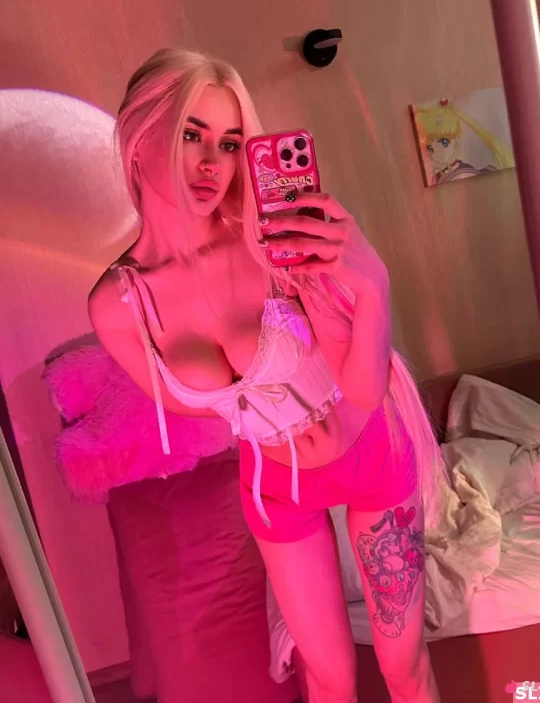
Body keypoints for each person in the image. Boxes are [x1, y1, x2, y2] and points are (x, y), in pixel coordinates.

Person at [89, 48, 444, 703]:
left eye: (229, 144)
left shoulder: (269, 239)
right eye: (191, 134)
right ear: (139, 137)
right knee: (329, 681)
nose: (211, 163)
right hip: (276, 486)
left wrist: (373, 286)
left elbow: (363, 388)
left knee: (404, 669)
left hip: (369, 446)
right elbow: (203, 408)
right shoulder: (118, 304)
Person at [414, 98, 515, 185]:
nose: (437, 152)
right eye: (430, 148)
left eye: (444, 142)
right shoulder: (437, 174)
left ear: (456, 138)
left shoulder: (463, 174)